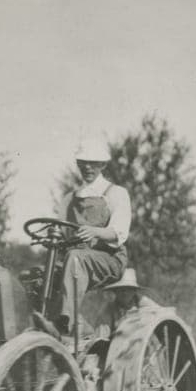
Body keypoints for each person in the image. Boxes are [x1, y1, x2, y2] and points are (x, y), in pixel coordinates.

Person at [56, 136, 131, 337]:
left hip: (109, 259)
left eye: (93, 163)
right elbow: (58, 231)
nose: (88, 167)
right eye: (83, 163)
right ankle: (63, 326)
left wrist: (94, 231)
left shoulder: (116, 193)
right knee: (36, 276)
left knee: (74, 258)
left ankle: (65, 324)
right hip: (79, 258)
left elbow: (118, 232)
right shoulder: (70, 199)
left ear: (102, 164)